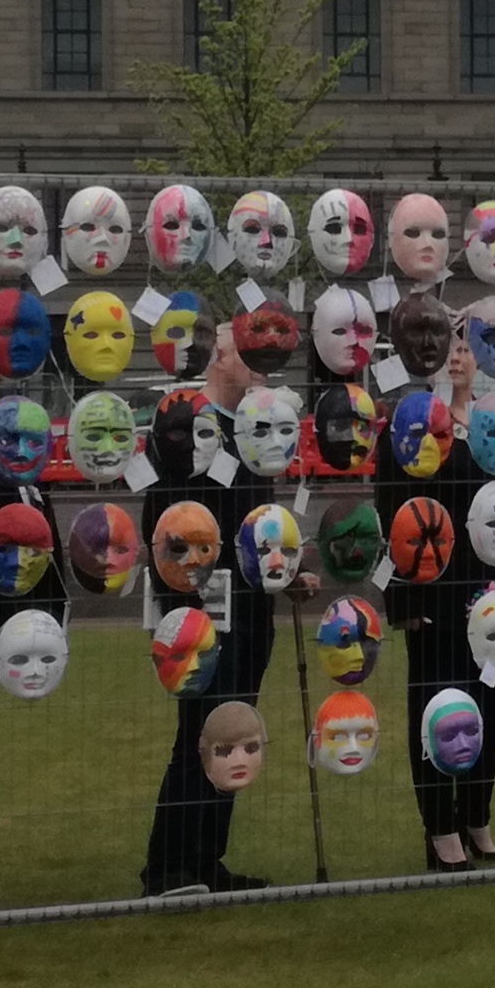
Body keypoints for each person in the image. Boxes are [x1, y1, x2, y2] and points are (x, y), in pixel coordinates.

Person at [141, 324, 305, 896]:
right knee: (198, 734)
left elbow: (262, 529)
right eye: (248, 351)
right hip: (198, 612)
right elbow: (157, 522)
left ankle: (209, 859)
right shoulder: (182, 422)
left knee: (231, 730)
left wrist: (285, 572)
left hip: (252, 612)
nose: (263, 361)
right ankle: (166, 868)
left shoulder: (254, 430)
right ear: (220, 356)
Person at [378, 334, 495, 871]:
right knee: (439, 709)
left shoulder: (493, 421)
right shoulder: (410, 424)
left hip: (491, 598)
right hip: (432, 595)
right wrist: (401, 601)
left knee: (490, 708)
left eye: (464, 347)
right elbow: (388, 514)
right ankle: (441, 829)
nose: (456, 356)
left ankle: (477, 818)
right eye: (448, 348)